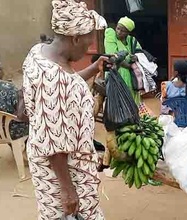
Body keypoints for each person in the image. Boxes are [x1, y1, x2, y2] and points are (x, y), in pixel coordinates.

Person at [22, 0, 108, 219]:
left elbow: (63, 88)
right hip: (66, 173)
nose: (89, 48)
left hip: (52, 167)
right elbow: (54, 141)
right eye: (88, 43)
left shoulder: (38, 52)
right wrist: (68, 190)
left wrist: (93, 68)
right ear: (76, 38)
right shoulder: (53, 80)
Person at [104, 16, 142, 106]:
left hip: (130, 78)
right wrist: (130, 66)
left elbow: (140, 54)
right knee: (117, 103)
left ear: (128, 32)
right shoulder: (110, 34)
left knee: (131, 102)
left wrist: (136, 57)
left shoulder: (132, 41)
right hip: (115, 74)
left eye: (123, 31)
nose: (119, 32)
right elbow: (113, 57)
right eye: (118, 28)